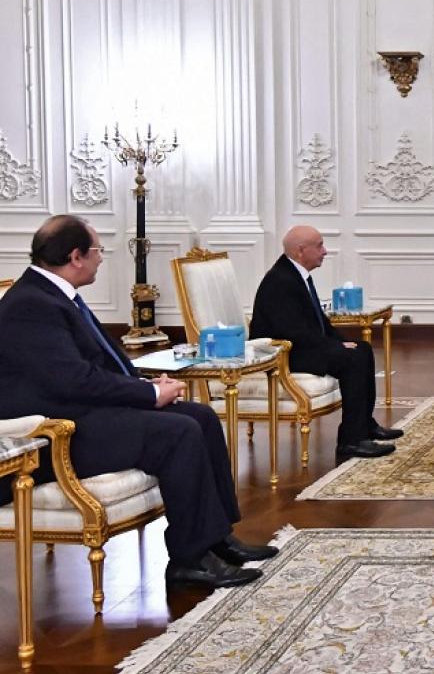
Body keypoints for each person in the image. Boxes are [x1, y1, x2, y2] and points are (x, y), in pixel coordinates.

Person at [0, 215, 276, 589]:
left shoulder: (53, 294)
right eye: (97, 250)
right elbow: (73, 379)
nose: (101, 257)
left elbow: (97, 365)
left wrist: (147, 386)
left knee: (201, 416)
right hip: (54, 435)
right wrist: (148, 395)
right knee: (178, 432)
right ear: (76, 256)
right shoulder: (31, 305)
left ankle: (216, 538)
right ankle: (190, 559)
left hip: (84, 413)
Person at [248, 226, 401, 461]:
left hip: (301, 347)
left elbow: (320, 323)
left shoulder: (296, 274)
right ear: (300, 251)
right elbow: (293, 332)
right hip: (284, 354)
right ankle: (350, 441)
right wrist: (335, 347)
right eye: (319, 246)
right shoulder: (281, 281)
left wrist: (341, 342)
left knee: (363, 349)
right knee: (352, 360)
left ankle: (364, 425)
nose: (325, 251)